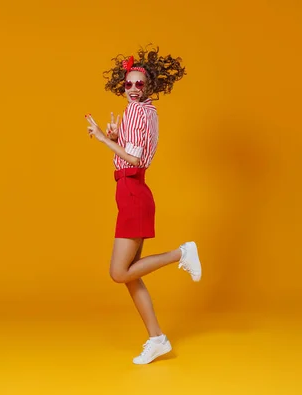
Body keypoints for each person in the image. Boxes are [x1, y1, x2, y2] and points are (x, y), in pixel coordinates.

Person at [85, 45, 202, 365]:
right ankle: (157, 338)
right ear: (122, 85)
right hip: (130, 192)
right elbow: (134, 149)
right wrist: (116, 137)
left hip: (133, 191)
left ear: (150, 86)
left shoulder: (138, 112)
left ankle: (182, 253)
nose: (134, 89)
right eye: (129, 83)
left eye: (139, 84)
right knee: (130, 276)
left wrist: (103, 138)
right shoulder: (146, 112)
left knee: (118, 273)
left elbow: (134, 159)